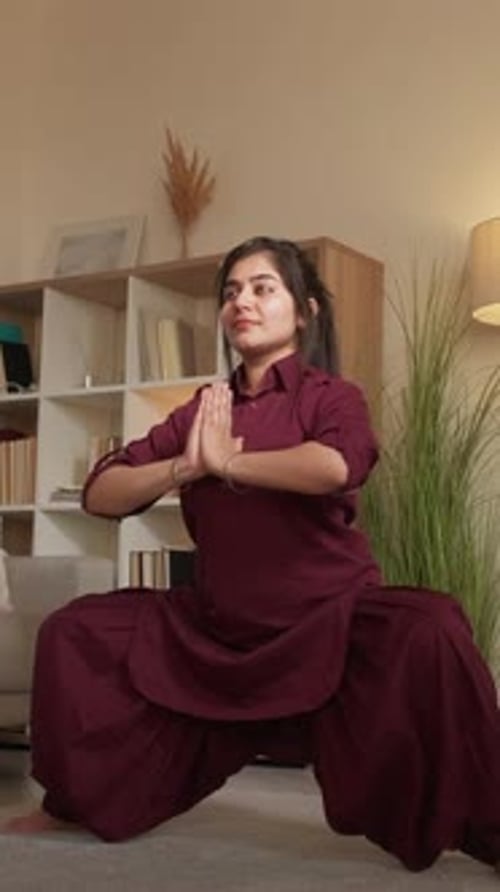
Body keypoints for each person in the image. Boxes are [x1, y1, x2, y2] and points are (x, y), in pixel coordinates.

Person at [5, 236, 500, 873]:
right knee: (76, 631)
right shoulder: (202, 410)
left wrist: (231, 462)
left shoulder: (331, 397)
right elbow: (102, 493)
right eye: (232, 292)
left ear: (305, 312)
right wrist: (184, 465)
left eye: (263, 288)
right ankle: (69, 804)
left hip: (329, 619)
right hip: (215, 628)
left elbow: (335, 465)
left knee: (433, 627)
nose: (242, 302)